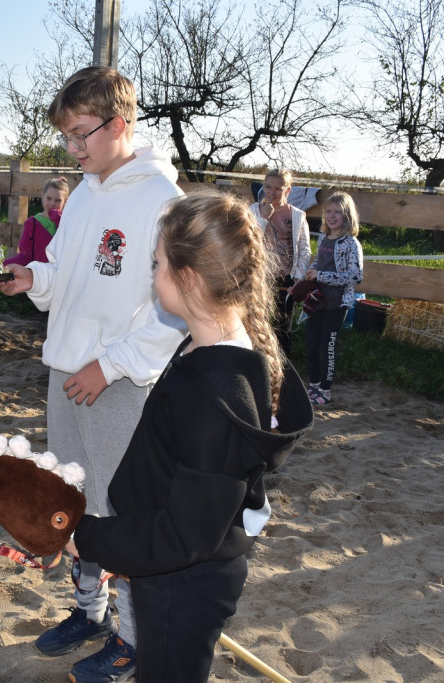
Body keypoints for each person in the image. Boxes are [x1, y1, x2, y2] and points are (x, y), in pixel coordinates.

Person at [65, 193, 313, 682]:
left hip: (184, 581)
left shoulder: (216, 395)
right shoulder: (210, 345)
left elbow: (185, 534)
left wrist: (88, 538)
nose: (152, 274)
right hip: (169, 565)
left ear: (188, 278)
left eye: (157, 263)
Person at [0, 65, 186, 682]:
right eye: (67, 138)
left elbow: (179, 310)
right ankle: (91, 611)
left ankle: (132, 637)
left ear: (119, 123)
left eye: (81, 135)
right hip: (65, 372)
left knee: (120, 513)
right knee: (72, 501)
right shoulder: (83, 195)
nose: (73, 149)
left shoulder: (162, 201)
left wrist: (112, 365)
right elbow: (62, 276)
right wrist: (33, 280)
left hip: (119, 384)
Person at [303, 192, 363, 406]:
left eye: (337, 212)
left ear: (347, 216)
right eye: (329, 211)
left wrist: (322, 276)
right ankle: (314, 384)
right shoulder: (323, 238)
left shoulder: (351, 243)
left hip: (338, 303)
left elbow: (356, 276)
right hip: (318, 300)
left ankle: (325, 391)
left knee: (326, 346)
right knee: (310, 344)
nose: (332, 216)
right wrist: (311, 272)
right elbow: (318, 262)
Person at [248, 169, 311, 355]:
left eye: (278, 188)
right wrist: (263, 218)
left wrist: (299, 277)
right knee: (258, 322)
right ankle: (258, 363)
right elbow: (249, 239)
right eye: (267, 187)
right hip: (260, 277)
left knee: (283, 326)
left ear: (288, 190)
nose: (271, 192)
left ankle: (283, 368)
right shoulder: (253, 210)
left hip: (286, 279)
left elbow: (305, 248)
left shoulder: (297, 215)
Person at [0, 177, 69, 269]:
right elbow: (25, 256)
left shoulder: (69, 221)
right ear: (42, 197)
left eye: (58, 200)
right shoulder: (32, 224)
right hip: (39, 275)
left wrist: (60, 220)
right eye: (49, 198)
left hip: (62, 275)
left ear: (65, 202)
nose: (52, 204)